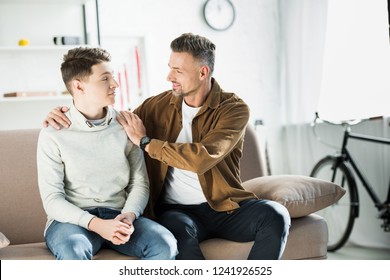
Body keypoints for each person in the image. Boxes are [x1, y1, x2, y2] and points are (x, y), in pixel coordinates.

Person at [43, 33, 291, 260]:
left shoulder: (233, 109)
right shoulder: (154, 107)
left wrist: (146, 143)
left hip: (224, 206)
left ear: (203, 72)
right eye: (169, 68)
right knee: (175, 233)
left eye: (178, 71)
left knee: (275, 215)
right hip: (176, 212)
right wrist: (65, 112)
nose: (169, 77)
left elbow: (202, 157)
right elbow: (105, 118)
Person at [37, 47, 177, 260]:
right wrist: (96, 225)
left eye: (113, 77)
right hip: (71, 222)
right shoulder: (53, 132)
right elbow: (52, 199)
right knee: (72, 250)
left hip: (120, 215)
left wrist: (128, 217)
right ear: (78, 86)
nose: (115, 84)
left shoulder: (127, 125)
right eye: (105, 79)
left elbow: (139, 183)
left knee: (164, 244)